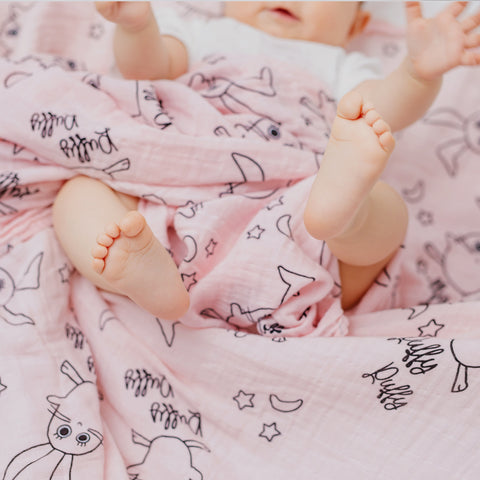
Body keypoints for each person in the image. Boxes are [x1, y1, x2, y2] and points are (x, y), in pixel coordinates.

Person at [52, 1, 480, 320]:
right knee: (81, 192)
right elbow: (150, 70)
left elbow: (380, 108)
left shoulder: (338, 63)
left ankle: (343, 218)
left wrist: (416, 74)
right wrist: (137, 26)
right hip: (176, 201)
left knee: (385, 211)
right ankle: (144, 274)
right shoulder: (204, 32)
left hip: (297, 218)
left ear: (356, 24)